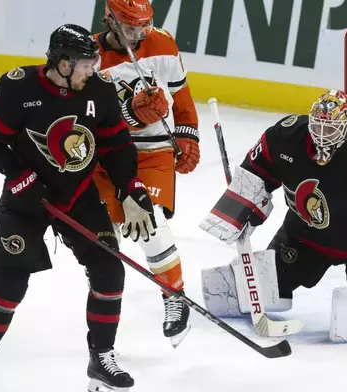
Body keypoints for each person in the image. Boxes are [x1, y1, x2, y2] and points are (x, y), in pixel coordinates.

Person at [0, 24, 156, 392]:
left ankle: (101, 357)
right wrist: (18, 176)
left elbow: (116, 146)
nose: (92, 70)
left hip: (78, 194)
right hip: (27, 199)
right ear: (63, 63)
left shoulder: (99, 90)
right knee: (9, 283)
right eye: (85, 64)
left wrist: (130, 188)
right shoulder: (19, 88)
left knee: (109, 270)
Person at [199, 89, 347, 314]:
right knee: (250, 294)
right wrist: (240, 205)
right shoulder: (286, 135)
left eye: (332, 128)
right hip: (305, 239)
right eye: (319, 125)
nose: (323, 134)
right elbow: (257, 168)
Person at [90, 0, 199, 346]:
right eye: (129, 26)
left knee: (148, 221)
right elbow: (88, 122)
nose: (138, 34)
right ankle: (105, 319)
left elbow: (182, 98)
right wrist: (129, 114)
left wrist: (187, 134)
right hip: (107, 156)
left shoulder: (163, 44)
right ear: (109, 18)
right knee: (104, 240)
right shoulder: (89, 57)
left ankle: (175, 297)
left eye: (143, 26)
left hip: (153, 152)